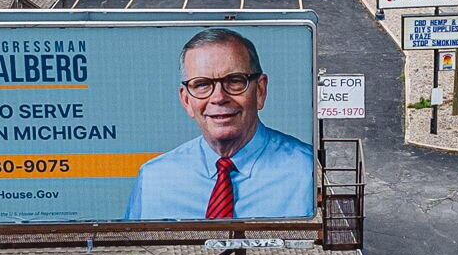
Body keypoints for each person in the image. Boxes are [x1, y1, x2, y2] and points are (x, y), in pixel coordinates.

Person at [125, 27, 315, 220]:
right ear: (186, 100)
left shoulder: (308, 173)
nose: (218, 98)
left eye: (234, 81)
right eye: (202, 84)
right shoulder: (154, 179)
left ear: (260, 91)